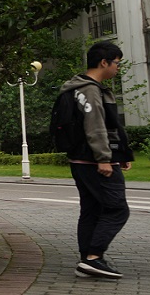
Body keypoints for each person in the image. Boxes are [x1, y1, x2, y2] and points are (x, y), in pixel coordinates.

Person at [57, 40, 133, 279]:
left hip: (80, 159)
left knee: (91, 209)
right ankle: (93, 257)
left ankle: (88, 260)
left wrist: (120, 155)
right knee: (117, 209)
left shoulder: (76, 87)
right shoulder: (89, 90)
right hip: (93, 161)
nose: (118, 68)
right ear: (103, 62)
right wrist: (104, 158)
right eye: (117, 63)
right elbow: (95, 126)